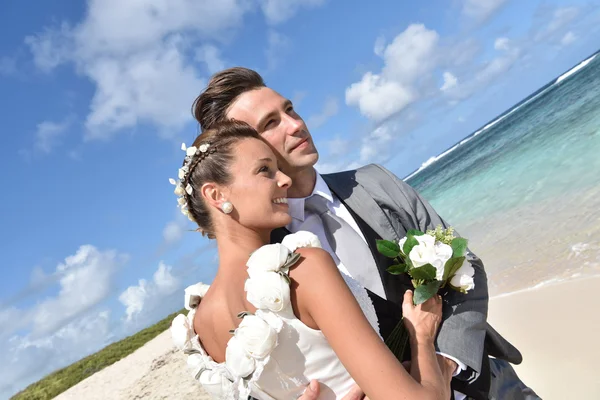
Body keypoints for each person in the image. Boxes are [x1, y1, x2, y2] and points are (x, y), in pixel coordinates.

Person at [182, 67, 539, 400]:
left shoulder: (374, 181)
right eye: (271, 123)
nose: (295, 124)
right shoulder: (268, 270)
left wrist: (448, 361)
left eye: (290, 109)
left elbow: (464, 265)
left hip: (486, 380)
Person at [170, 121, 450, 399]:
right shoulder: (301, 269)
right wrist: (422, 339)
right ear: (216, 195)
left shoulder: (199, 324)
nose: (285, 180)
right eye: (264, 169)